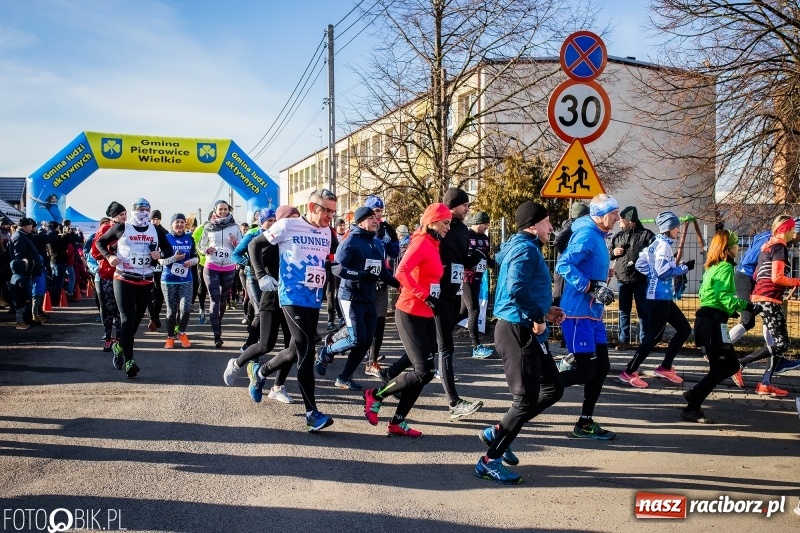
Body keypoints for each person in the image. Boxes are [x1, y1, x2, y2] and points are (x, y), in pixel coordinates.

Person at [474, 201, 566, 484]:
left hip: (524, 326)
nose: (551, 227)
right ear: (532, 225)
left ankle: (498, 430)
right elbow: (515, 290)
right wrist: (538, 314)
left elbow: (523, 288)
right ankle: (490, 460)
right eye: (547, 222)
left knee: (553, 388)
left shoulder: (523, 246)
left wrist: (546, 310)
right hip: (517, 330)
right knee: (524, 401)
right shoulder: (526, 249)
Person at [246, 190, 338, 432]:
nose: (330, 215)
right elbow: (255, 244)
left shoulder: (328, 232)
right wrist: (261, 275)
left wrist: (336, 266)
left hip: (313, 299)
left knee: (295, 350)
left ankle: (261, 370)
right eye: (326, 210)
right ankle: (311, 414)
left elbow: (334, 257)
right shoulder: (288, 225)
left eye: (333, 211)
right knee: (306, 346)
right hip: (290, 297)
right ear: (312, 206)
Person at [362, 203, 451, 438]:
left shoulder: (434, 244)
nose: (448, 227)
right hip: (410, 311)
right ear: (432, 222)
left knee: (427, 371)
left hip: (426, 314)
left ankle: (397, 422)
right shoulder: (421, 242)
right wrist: (426, 296)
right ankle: (375, 395)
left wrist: (435, 299)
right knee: (423, 371)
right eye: (445, 222)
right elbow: (401, 272)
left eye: (450, 223)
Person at [555, 194, 620, 440]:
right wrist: (590, 286)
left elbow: (587, 268)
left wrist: (604, 275)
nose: (617, 218)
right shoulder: (586, 234)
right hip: (577, 313)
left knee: (601, 368)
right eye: (613, 213)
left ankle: (584, 422)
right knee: (586, 372)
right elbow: (564, 265)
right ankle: (540, 386)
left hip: (592, 314)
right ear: (601, 214)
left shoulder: (599, 236)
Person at [315, 206, 400, 390]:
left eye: (376, 218)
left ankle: (344, 377)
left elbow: (383, 272)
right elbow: (337, 269)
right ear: (360, 221)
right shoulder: (350, 242)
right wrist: (361, 275)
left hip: (368, 298)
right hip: (350, 297)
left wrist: (400, 284)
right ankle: (325, 351)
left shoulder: (376, 243)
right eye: (371, 218)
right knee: (356, 339)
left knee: (366, 341)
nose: (376, 221)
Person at [684, 230, 762, 423]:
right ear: (728, 248)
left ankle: (695, 392)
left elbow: (708, 295)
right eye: (735, 245)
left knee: (732, 365)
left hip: (714, 321)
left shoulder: (712, 266)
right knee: (719, 369)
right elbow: (724, 297)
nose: (738, 248)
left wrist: (729, 311)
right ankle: (692, 407)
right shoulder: (726, 267)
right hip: (712, 323)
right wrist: (748, 306)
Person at [96, 198, 174, 378]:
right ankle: (130, 361)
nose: (143, 212)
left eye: (147, 209)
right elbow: (100, 242)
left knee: (136, 320)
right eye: (140, 209)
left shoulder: (156, 230)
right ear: (133, 210)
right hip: (123, 278)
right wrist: (108, 256)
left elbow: (168, 250)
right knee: (127, 318)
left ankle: (120, 345)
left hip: (145, 280)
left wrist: (159, 254)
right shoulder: (122, 227)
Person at [226, 207, 296, 405]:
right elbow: (248, 251)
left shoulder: (298, 240)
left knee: (292, 348)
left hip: (293, 300)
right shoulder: (267, 241)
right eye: (289, 219)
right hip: (271, 297)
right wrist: (259, 273)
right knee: (266, 344)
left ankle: (277, 387)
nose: (295, 223)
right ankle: (238, 363)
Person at [619, 211, 693, 388]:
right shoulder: (664, 246)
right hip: (658, 297)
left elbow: (639, 264)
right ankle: (629, 371)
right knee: (653, 337)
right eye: (677, 228)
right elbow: (662, 272)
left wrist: (651, 276)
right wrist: (683, 268)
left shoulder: (656, 243)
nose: (679, 231)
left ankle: (665, 367)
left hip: (661, 295)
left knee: (684, 329)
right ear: (669, 228)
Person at [733, 215, 800, 397]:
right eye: (793, 229)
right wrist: (797, 282)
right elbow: (777, 277)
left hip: (764, 296)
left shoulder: (768, 245)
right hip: (769, 298)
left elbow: (757, 275)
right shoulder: (780, 248)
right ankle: (740, 364)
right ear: (785, 230)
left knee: (776, 341)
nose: (795, 233)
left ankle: (765, 383)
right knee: (782, 343)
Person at [433, 187, 484, 418]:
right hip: (437, 294)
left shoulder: (463, 229)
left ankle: (390, 379)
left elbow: (462, 259)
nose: (468, 209)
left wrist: (476, 258)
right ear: (452, 206)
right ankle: (453, 402)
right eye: (464, 205)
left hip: (454, 291)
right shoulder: (437, 227)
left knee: (427, 348)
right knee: (445, 348)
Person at [363, 195, 400, 374]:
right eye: (375, 211)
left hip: (381, 281)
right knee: (361, 325)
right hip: (363, 283)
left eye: (380, 211)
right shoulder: (360, 228)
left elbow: (393, 252)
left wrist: (393, 238)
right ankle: (332, 342)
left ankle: (372, 361)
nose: (378, 215)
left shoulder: (385, 228)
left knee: (379, 322)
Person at [609, 206, 654, 350]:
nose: (619, 221)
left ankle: (645, 341)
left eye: (622, 219)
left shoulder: (646, 235)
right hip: (623, 279)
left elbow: (654, 253)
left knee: (644, 311)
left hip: (641, 279)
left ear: (630, 221)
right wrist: (614, 252)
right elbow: (609, 253)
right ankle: (624, 340)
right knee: (623, 310)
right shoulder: (618, 236)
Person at [198, 200, 242, 348]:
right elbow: (201, 245)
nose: (223, 212)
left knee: (223, 300)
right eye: (220, 209)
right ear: (215, 211)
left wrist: (236, 244)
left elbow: (241, 246)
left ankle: (218, 321)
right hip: (212, 266)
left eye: (225, 209)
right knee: (215, 299)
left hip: (229, 267)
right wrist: (206, 250)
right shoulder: (208, 227)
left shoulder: (235, 227)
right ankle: (217, 335)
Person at [458, 210, 495, 358]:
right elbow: (463, 257)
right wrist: (473, 260)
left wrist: (495, 261)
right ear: (478, 223)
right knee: (474, 310)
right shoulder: (466, 235)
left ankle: (440, 334)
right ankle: (476, 347)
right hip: (467, 277)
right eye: (485, 224)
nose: (487, 227)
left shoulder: (485, 238)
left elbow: (486, 257)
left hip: (479, 277)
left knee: (462, 312)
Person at [160, 213, 198, 349]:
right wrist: (173, 259)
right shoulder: (165, 238)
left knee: (186, 309)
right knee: (171, 311)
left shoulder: (189, 239)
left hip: (186, 279)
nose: (180, 224)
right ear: (172, 224)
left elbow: (196, 257)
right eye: (177, 222)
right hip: (168, 279)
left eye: (182, 222)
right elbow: (160, 260)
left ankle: (181, 332)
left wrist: (191, 262)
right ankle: (170, 336)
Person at [91, 203, 126, 352]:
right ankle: (107, 336)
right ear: (113, 216)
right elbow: (95, 253)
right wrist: (111, 250)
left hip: (124, 274)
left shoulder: (128, 229)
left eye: (125, 214)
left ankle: (119, 337)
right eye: (121, 214)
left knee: (121, 308)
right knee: (109, 308)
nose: (124, 217)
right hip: (107, 274)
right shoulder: (104, 229)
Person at [8, 217, 42, 329]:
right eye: (31, 226)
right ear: (27, 226)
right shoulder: (19, 237)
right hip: (23, 273)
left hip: (27, 273)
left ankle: (28, 320)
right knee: (23, 297)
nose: (32, 228)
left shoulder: (24, 236)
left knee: (27, 297)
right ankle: (22, 321)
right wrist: (28, 267)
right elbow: (19, 257)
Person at [146, 209, 168, 331]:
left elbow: (168, 250)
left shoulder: (165, 233)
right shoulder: (146, 231)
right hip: (148, 266)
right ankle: (152, 318)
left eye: (157, 219)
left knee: (159, 293)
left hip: (160, 266)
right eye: (153, 219)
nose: (155, 221)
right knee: (150, 292)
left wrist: (162, 254)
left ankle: (156, 316)